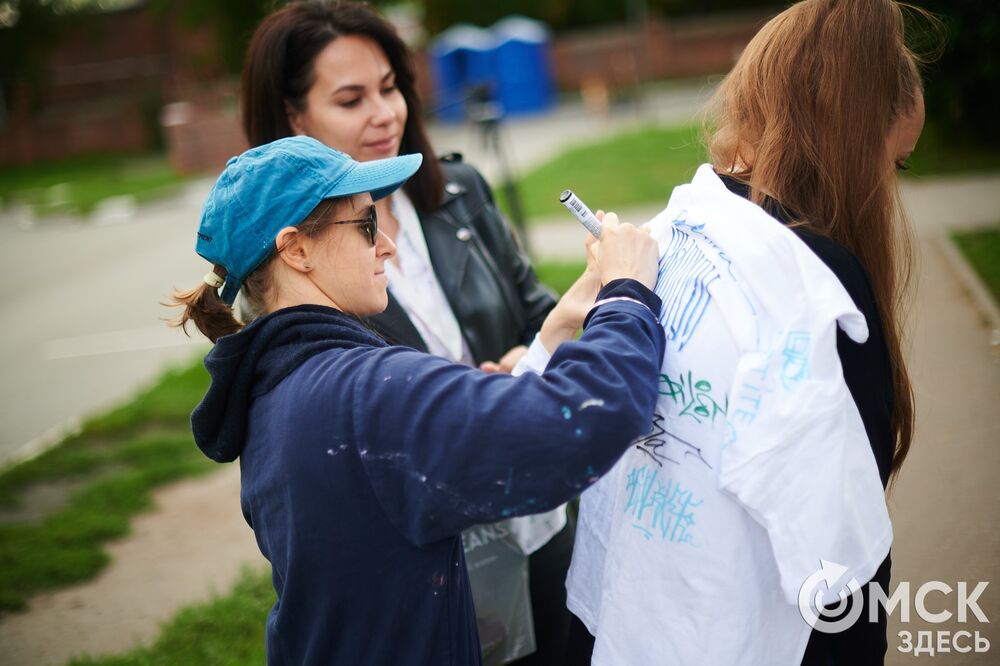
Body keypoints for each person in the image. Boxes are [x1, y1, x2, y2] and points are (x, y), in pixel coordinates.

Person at [512, 1, 924, 664]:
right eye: (894, 163)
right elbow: (840, 551)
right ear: (853, 141)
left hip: (621, 615)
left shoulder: (674, 228)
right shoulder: (816, 285)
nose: (888, 188)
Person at [169, 135, 665, 665]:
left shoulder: (278, 384)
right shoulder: (366, 393)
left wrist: (557, 329)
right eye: (365, 224)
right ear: (296, 249)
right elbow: (580, 421)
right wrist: (626, 293)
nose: (388, 245)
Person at [239, 3, 574, 662]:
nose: (385, 112)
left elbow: (537, 308)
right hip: (433, 562)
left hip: (541, 514)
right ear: (293, 118)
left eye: (390, 87)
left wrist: (528, 354)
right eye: (351, 98)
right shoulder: (291, 265)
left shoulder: (459, 191)